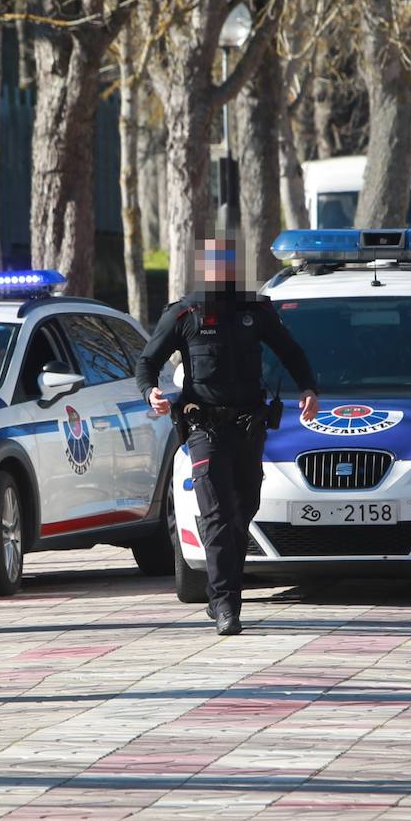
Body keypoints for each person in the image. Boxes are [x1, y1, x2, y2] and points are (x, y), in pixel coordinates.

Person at [136, 228, 318, 636]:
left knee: (243, 509)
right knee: (218, 514)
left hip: (248, 428)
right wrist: (151, 393)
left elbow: (291, 352)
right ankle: (225, 605)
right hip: (204, 429)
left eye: (229, 265)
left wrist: (309, 388)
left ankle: (223, 585)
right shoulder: (185, 314)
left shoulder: (256, 311)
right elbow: (147, 362)